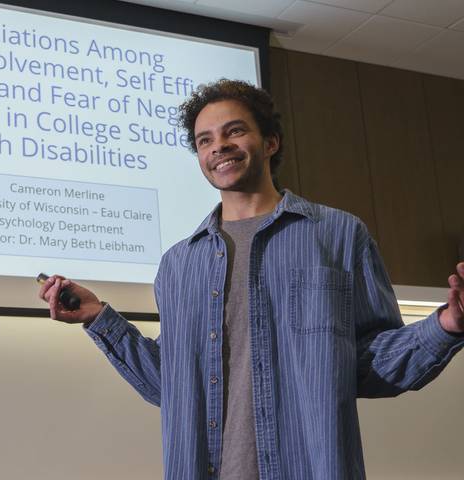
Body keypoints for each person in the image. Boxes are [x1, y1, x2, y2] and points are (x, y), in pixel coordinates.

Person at [38, 79, 464, 480]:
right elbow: (168, 387)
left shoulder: (338, 235)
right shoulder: (178, 264)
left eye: (234, 131)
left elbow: (371, 366)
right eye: (205, 140)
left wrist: (446, 326)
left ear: (270, 142)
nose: (219, 146)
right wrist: (98, 318)